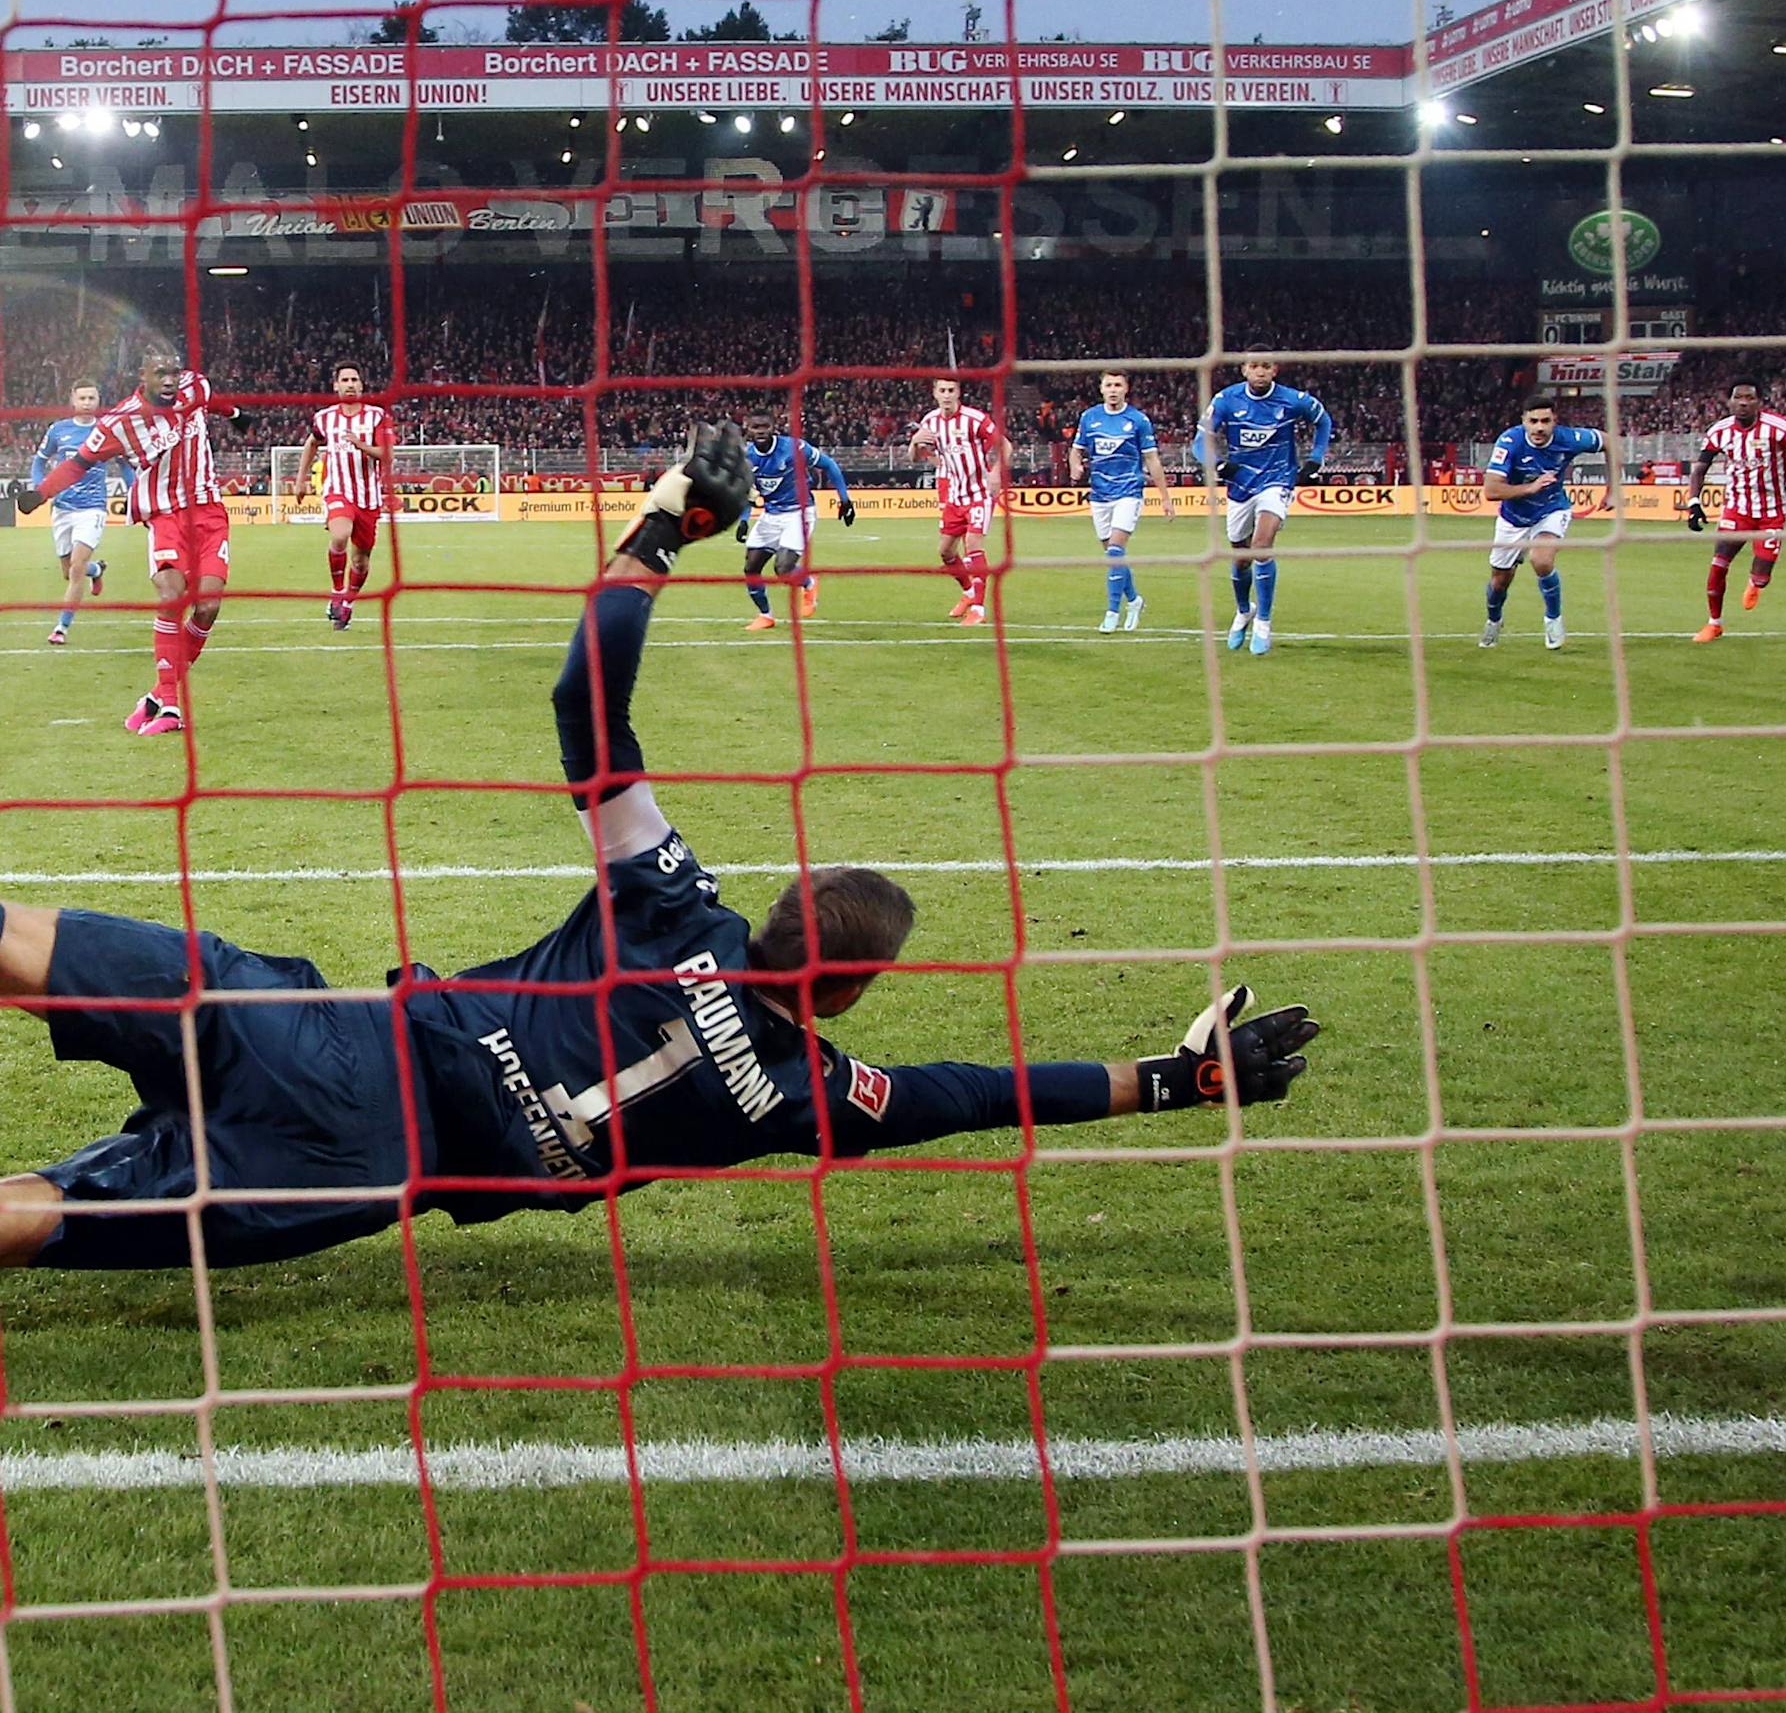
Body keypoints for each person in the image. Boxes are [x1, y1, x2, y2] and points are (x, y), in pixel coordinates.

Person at [0, 426, 1318, 1270]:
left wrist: (662, 530)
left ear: (782, 906)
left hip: (331, 1033)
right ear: (849, 992)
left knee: (33, 947)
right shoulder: (808, 1097)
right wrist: (1173, 1081)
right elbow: (972, 1092)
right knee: (48, 1213)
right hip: (363, 1172)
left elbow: (584, 702)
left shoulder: (673, 906)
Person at [16, 346, 245, 735]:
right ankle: (171, 706)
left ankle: (158, 693)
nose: (171, 379)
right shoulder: (121, 422)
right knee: (172, 594)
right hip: (165, 514)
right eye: (161, 373)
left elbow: (213, 401)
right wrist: (42, 492)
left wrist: (237, 416)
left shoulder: (195, 387)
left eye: (174, 371)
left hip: (208, 511)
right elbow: (81, 461)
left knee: (207, 606)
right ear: (144, 376)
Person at [1203, 351, 1332, 657]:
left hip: (1277, 480)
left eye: (1265, 366)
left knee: (1261, 545)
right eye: (1253, 366)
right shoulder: (1225, 400)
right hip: (1240, 485)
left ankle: (1264, 621)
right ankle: (1243, 610)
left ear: (1274, 369)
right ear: (1244, 369)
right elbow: (1201, 440)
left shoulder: (1293, 400)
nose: (1259, 372)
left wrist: (1315, 459)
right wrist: (1217, 464)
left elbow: (1323, 421)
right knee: (1240, 557)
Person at [1479, 394, 1608, 652]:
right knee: (1499, 581)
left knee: (1542, 559)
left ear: (1554, 421)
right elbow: (1491, 490)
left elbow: (1611, 442)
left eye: (1545, 421)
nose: (1539, 427)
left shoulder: (1569, 438)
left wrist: (1613, 489)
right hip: (1513, 518)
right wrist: (1531, 488)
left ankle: (1553, 619)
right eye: (1533, 421)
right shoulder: (1510, 441)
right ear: (1523, 421)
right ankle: (1494, 621)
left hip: (1551, 509)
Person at [1686, 380, 1786, 644]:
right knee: (1718, 564)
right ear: (1730, 401)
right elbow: (1699, 468)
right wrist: (1694, 502)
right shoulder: (1719, 431)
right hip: (1736, 509)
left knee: (1762, 576)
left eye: (1749, 397)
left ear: (1759, 402)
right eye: (1738, 397)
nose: (1743, 402)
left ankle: (1756, 582)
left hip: (1772, 511)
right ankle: (1714, 623)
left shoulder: (1779, 428)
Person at [289, 362, 395, 633]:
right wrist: (300, 480)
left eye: (354, 379)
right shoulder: (324, 418)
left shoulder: (377, 417)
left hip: (368, 497)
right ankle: (337, 593)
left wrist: (359, 444)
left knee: (361, 559)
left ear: (361, 385)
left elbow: (387, 455)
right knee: (339, 534)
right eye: (344, 379)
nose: (349, 384)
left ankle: (348, 601)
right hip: (338, 489)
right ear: (335, 385)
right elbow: (312, 443)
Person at [1069, 370, 1175, 632]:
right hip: (1100, 494)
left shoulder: (1138, 420)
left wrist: (1165, 497)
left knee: (1116, 550)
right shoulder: (1090, 417)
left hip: (1128, 491)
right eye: (1108, 385)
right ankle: (1135, 600)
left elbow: (1152, 460)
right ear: (1101, 389)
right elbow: (1076, 450)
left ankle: (1112, 611)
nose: (1113, 389)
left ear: (1126, 389)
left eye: (1118, 385)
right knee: (1112, 556)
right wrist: (1075, 466)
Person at [735, 405, 854, 632]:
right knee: (751, 567)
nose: (760, 431)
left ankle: (809, 583)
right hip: (771, 515)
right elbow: (746, 492)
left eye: (765, 426)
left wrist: (844, 499)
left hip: (799, 513)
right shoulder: (746, 457)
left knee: (783, 568)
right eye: (755, 427)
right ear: (747, 428)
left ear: (774, 427)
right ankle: (765, 616)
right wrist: (743, 519)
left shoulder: (793, 448)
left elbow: (829, 464)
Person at [910, 378, 1011, 627]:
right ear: (934, 393)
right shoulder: (930, 422)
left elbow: (1005, 446)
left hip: (979, 493)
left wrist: (997, 471)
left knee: (973, 542)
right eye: (942, 390)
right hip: (955, 496)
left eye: (951, 390)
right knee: (945, 551)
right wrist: (915, 441)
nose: (947, 395)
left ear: (958, 393)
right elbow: (915, 458)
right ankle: (968, 593)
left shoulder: (974, 419)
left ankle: (978, 607)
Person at [26, 380, 113, 646]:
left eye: (92, 398)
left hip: (92, 508)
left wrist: (134, 489)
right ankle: (96, 570)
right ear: (73, 401)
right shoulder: (58, 430)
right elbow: (39, 460)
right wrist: (40, 488)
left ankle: (61, 628)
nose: (87, 403)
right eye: (82, 398)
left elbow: (125, 462)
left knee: (75, 569)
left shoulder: (107, 430)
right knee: (68, 570)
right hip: (62, 508)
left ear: (98, 401)